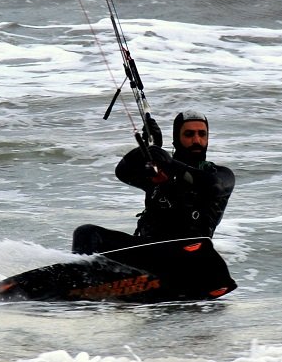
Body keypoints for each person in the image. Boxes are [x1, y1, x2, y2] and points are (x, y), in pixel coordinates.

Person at [71, 109, 235, 254]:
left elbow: (215, 186)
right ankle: (82, 284)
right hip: (149, 252)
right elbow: (122, 172)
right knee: (86, 234)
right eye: (189, 134)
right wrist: (147, 150)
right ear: (177, 138)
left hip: (189, 255)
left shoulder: (219, 174)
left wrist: (169, 163)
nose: (197, 140)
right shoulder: (158, 171)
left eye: (202, 134)